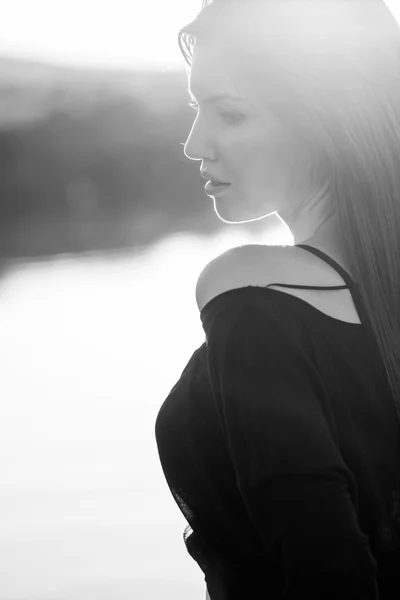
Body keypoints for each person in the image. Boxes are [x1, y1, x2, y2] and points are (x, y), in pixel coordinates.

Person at [155, 1, 400, 598]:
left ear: (331, 121)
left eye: (230, 114)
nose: (195, 145)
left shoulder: (250, 290)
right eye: (195, 108)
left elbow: (327, 577)